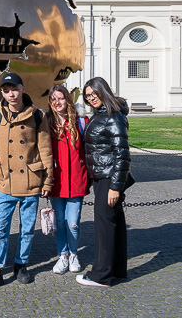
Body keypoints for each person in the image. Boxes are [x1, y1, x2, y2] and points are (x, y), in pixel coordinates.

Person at [0, 72, 53, 292]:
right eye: (6, 90)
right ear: (2, 92)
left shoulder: (38, 115)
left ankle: (21, 265)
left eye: (14, 89)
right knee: (0, 228)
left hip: (31, 180)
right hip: (6, 181)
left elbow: (45, 150)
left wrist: (48, 182)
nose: (11, 94)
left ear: (23, 88)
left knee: (27, 229)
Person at [76, 76, 133, 288]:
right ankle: (117, 270)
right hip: (103, 176)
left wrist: (115, 187)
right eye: (88, 95)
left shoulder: (113, 117)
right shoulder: (101, 114)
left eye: (94, 94)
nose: (91, 98)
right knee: (115, 223)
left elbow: (122, 154)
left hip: (109, 178)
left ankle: (101, 275)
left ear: (104, 91)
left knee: (104, 226)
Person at [46, 85, 90, 275]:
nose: (57, 103)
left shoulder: (81, 122)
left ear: (68, 100)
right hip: (56, 181)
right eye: (54, 99)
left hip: (76, 180)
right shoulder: (47, 123)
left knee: (73, 222)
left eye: (61, 98)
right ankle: (62, 255)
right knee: (60, 222)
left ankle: (73, 253)